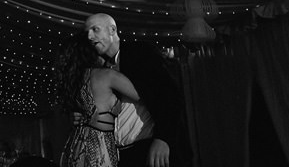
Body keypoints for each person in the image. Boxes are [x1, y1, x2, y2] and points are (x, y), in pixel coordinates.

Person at [84, 14, 189, 167]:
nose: (89, 36)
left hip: (150, 149)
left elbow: (169, 95)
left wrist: (164, 138)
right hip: (122, 155)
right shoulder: (100, 68)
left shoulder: (139, 53)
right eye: (87, 32)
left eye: (95, 29)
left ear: (112, 30)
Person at [55, 33, 140, 167]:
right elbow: (145, 95)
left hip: (74, 147)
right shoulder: (107, 76)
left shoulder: (74, 80)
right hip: (99, 148)